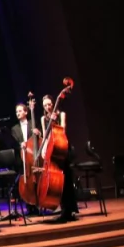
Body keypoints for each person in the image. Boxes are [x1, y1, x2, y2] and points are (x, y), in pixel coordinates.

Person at [42, 95, 79, 223]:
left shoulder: (61, 114)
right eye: (45, 105)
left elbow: (62, 131)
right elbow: (45, 135)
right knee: (58, 181)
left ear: (53, 103)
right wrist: (44, 149)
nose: (47, 107)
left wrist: (53, 122)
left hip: (62, 148)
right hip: (51, 149)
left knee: (67, 180)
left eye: (49, 104)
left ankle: (70, 210)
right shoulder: (43, 118)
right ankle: (63, 209)